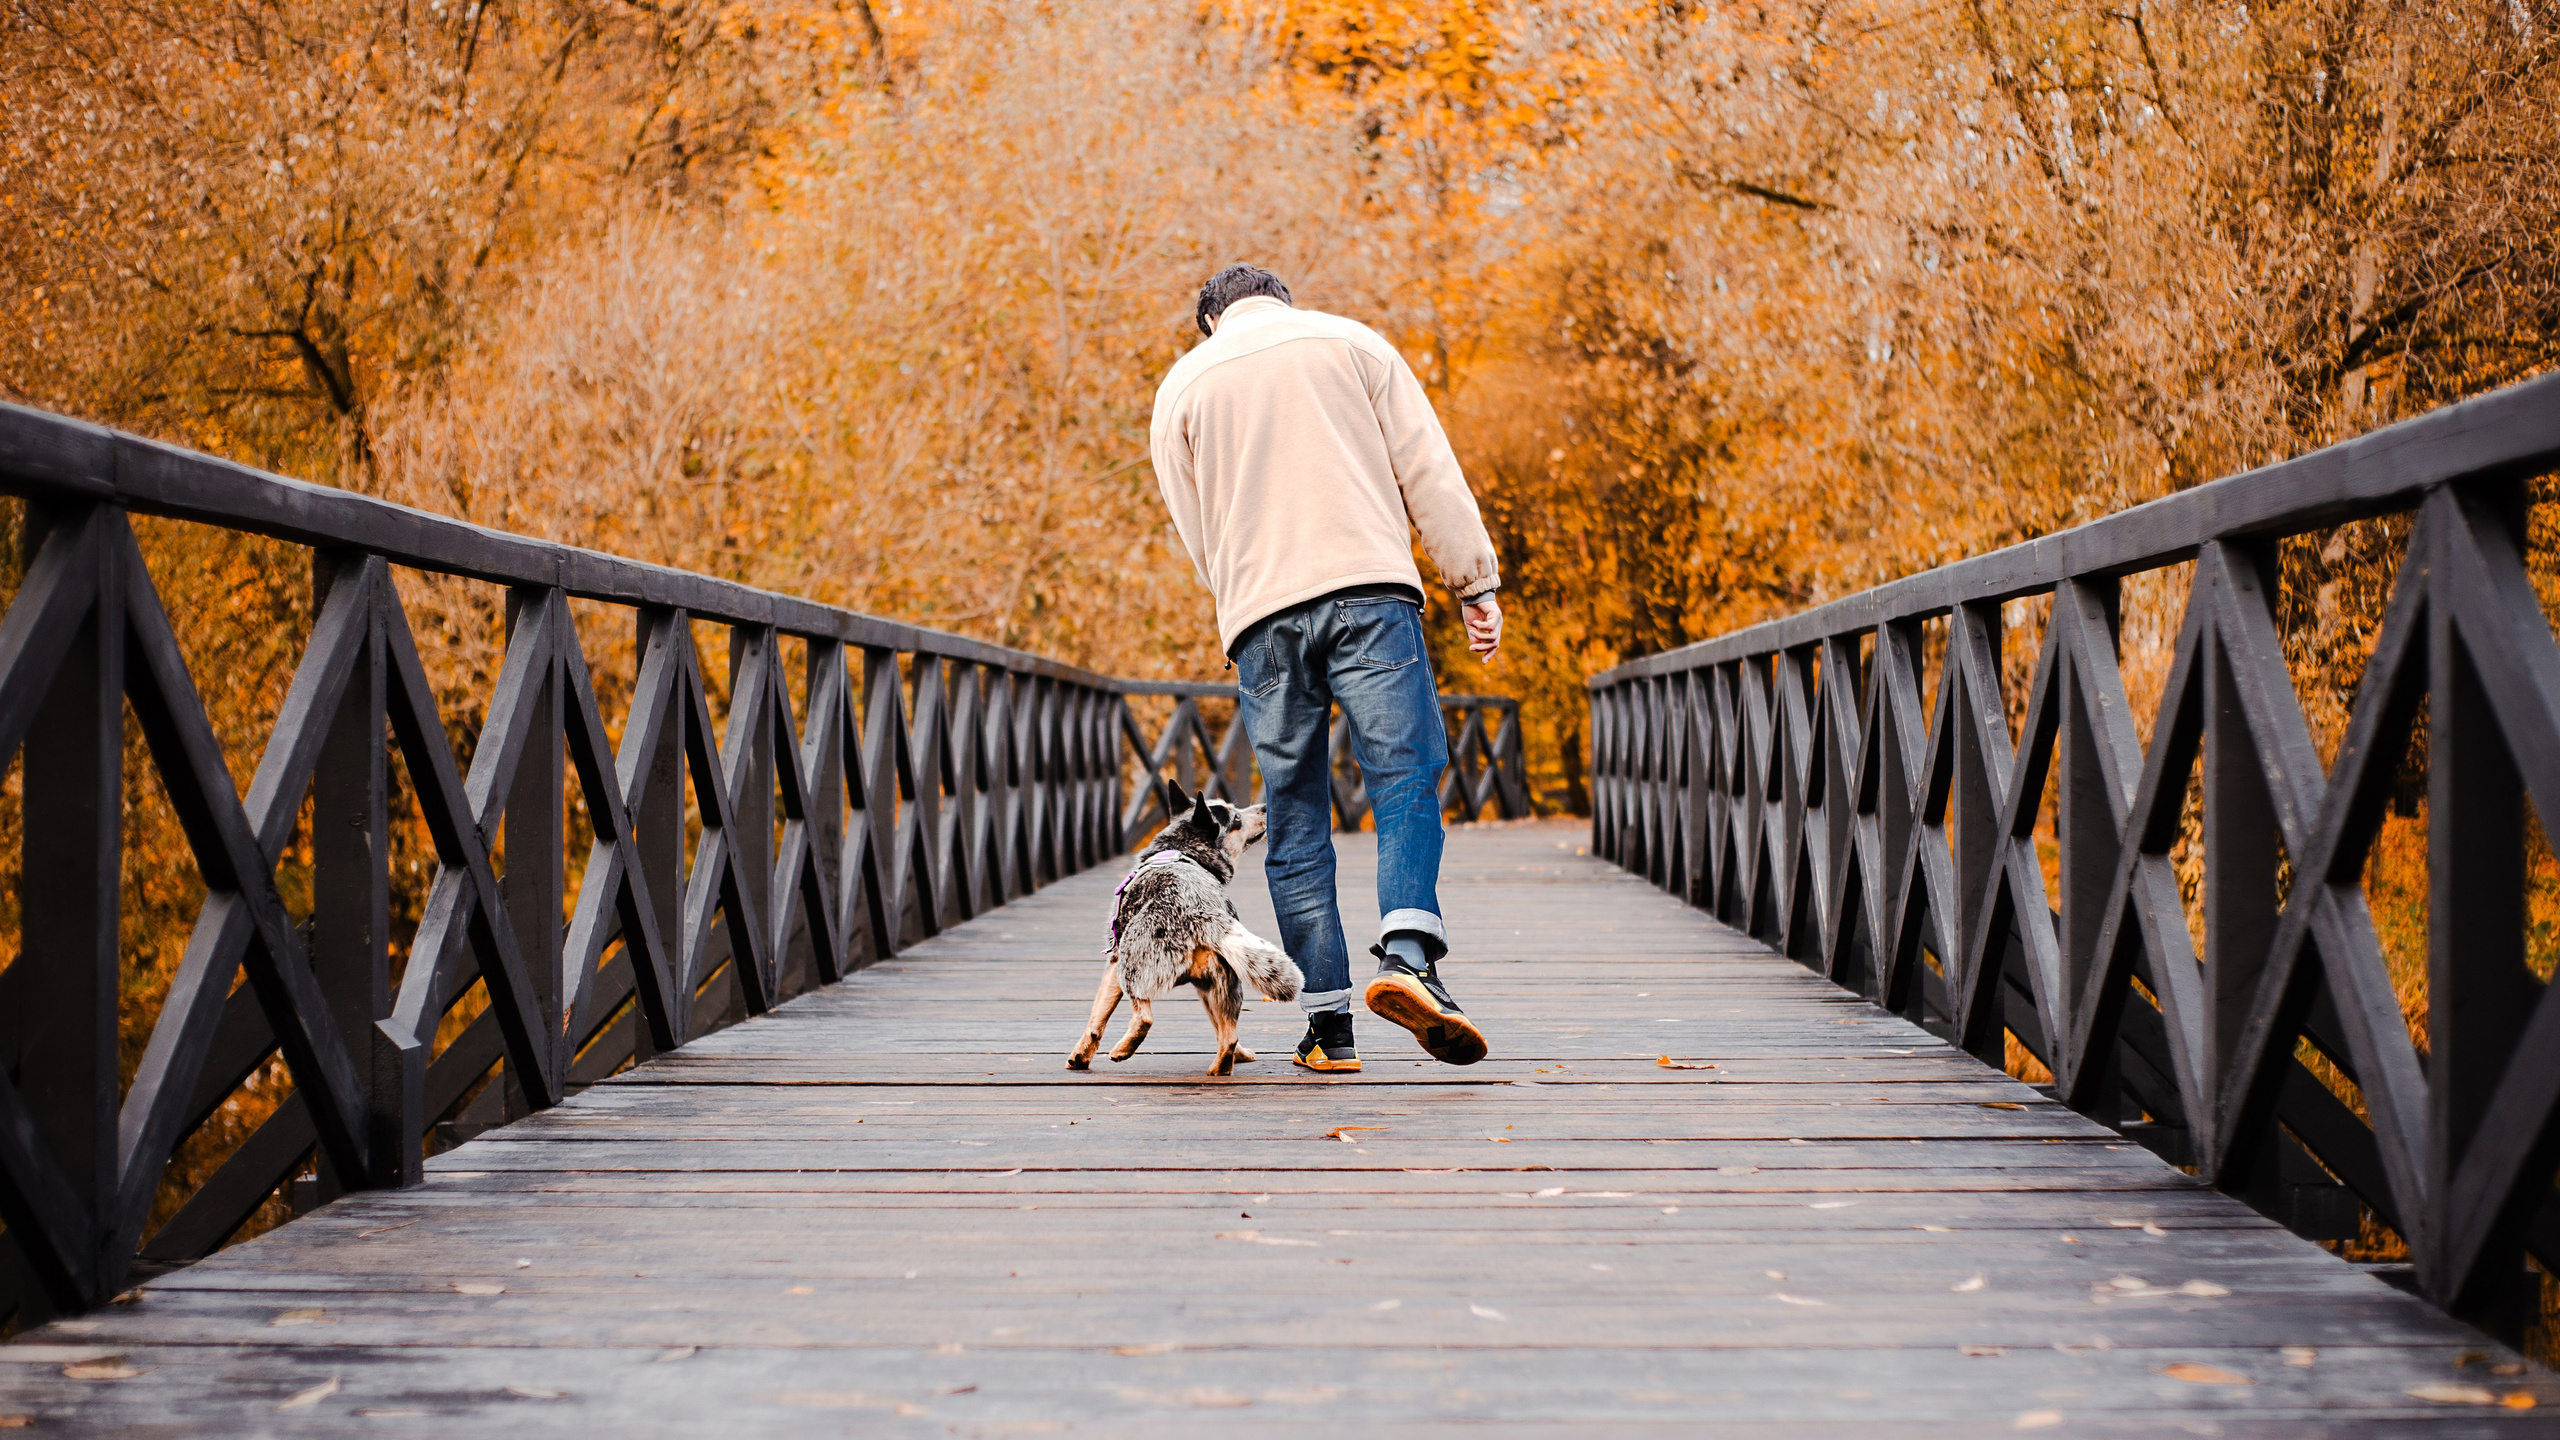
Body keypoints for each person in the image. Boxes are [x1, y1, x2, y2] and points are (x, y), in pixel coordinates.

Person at [1148, 263, 1506, 1073]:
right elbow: (1427, 468)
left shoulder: (1183, 386)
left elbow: (1196, 525)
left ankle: (1328, 1028)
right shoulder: (1353, 344)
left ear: (1211, 322)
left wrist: (1241, 601)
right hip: (1370, 593)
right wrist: (1473, 582)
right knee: (1403, 773)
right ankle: (1410, 955)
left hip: (1262, 616)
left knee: (1295, 811)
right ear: (1281, 301)